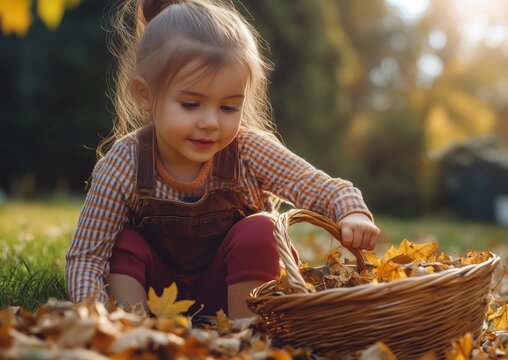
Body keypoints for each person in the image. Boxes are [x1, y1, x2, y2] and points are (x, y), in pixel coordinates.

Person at [65, 0, 380, 319]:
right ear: (145, 94)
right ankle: (131, 332)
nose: (211, 122)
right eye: (190, 104)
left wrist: (351, 211)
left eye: (228, 107)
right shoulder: (124, 162)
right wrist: (94, 313)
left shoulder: (247, 150)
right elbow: (87, 257)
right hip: (153, 297)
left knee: (260, 229)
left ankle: (249, 335)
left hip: (232, 294)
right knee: (124, 243)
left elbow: (316, 186)